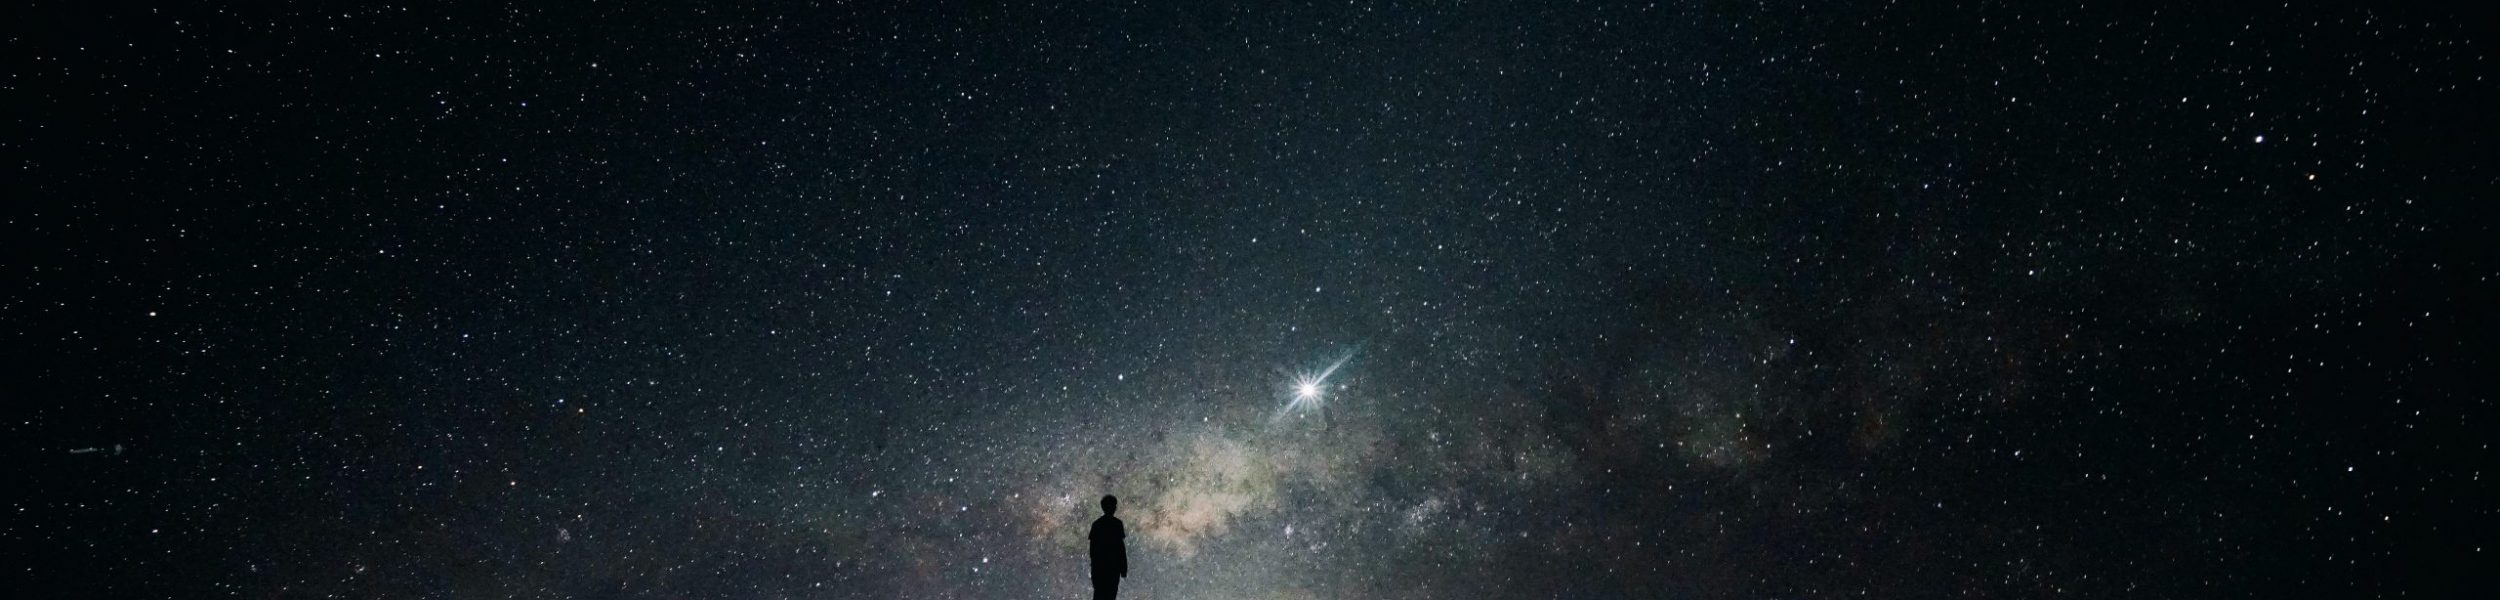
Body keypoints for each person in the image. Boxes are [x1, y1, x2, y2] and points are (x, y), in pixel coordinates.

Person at [1088, 494, 1128, 600]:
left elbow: (1092, 549)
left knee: (1099, 595)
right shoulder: (1117, 524)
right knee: (1111, 595)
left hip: (1099, 568)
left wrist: (1094, 566)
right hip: (1113, 568)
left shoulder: (1097, 524)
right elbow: (1120, 548)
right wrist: (1123, 567)